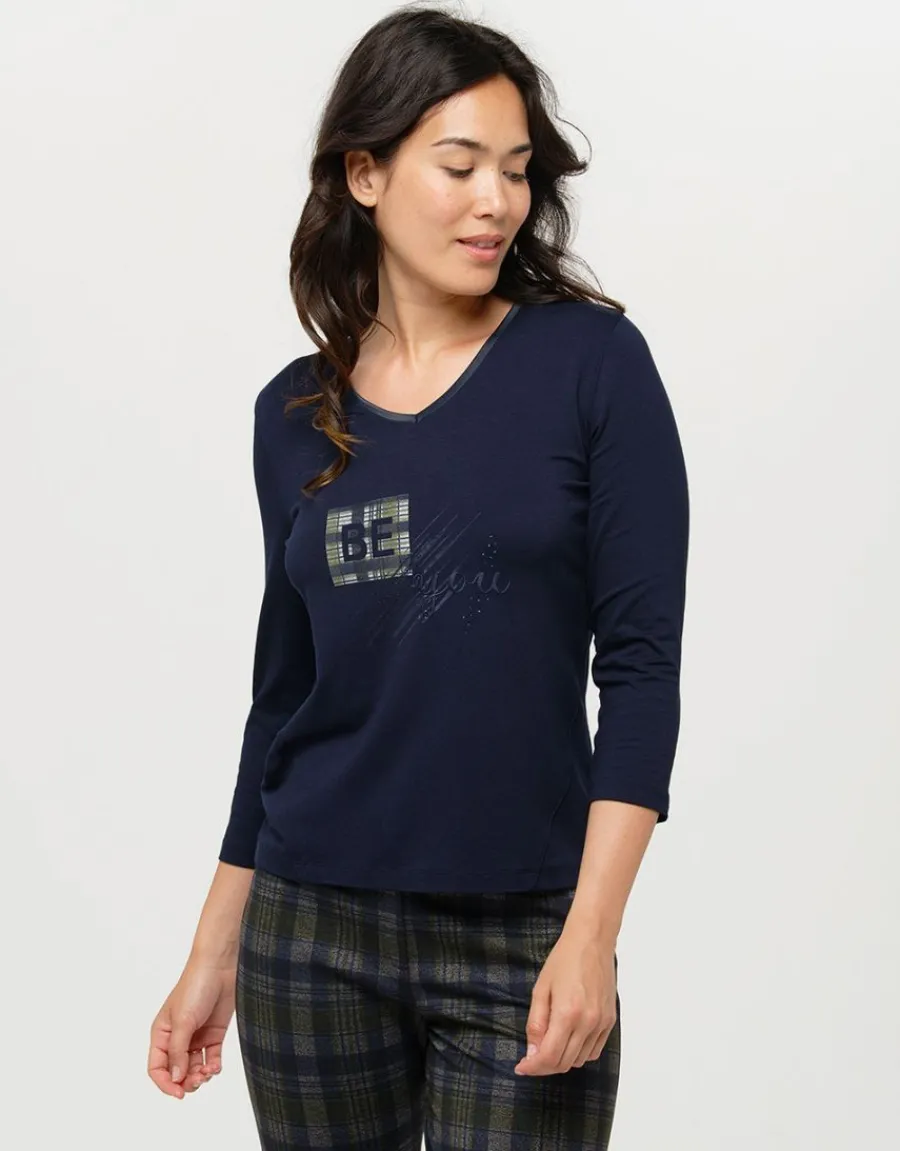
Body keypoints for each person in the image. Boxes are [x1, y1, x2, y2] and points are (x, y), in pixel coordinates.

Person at [147, 5, 690, 1148]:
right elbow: (284, 696)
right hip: (309, 933)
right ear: (365, 174)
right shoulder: (295, 413)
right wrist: (213, 949)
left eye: (516, 169)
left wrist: (591, 933)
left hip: (522, 931)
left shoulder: (590, 363)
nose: (497, 200)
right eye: (459, 165)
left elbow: (641, 671)